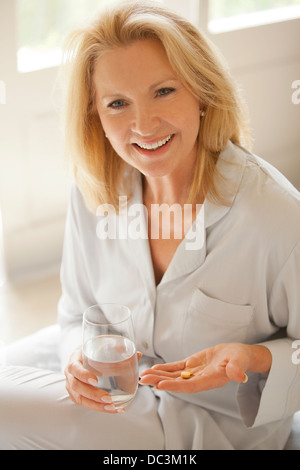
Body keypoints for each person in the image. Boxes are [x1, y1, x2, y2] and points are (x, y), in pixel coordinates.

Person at [0, 0, 299, 450]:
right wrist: (76, 361)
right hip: (117, 392)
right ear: (95, 117)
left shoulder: (276, 217)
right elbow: (73, 314)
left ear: (201, 92)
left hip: (205, 427)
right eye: (118, 103)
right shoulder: (93, 192)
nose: (143, 125)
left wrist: (255, 357)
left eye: (163, 91)